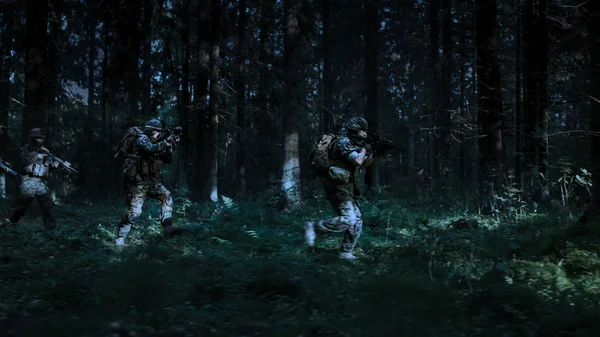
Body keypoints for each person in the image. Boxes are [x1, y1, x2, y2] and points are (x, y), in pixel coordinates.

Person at [304, 116, 375, 259]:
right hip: (337, 186)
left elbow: (365, 164)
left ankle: (345, 252)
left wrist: (373, 152)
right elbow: (358, 160)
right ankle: (313, 226)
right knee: (349, 219)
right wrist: (364, 151)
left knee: (358, 221)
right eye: (362, 130)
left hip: (348, 187)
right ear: (355, 129)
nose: (365, 134)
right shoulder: (344, 142)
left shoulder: (355, 145)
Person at [115, 119, 185, 246]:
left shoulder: (158, 143)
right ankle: (120, 238)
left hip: (152, 182)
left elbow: (167, 159)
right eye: (156, 131)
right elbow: (151, 149)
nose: (158, 134)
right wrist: (167, 140)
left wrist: (170, 146)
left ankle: (168, 227)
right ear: (149, 130)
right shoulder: (142, 139)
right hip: (138, 183)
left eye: (159, 132)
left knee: (167, 197)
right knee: (135, 215)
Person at [6, 128, 63, 229]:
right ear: (32, 138)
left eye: (42, 138)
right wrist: (39, 155)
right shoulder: (25, 149)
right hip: (28, 181)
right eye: (38, 138)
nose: (41, 140)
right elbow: (25, 162)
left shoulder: (45, 151)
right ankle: (11, 224)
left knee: (47, 206)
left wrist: (54, 165)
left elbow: (47, 168)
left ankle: (51, 230)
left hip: (41, 182)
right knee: (21, 207)